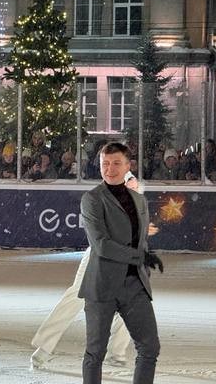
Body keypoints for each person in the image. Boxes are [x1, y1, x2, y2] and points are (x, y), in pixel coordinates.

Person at [30, 175, 154, 370]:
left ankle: (116, 353)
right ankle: (44, 347)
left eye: (135, 189)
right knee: (76, 297)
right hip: (98, 257)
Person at [79, 142, 162, 384]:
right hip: (102, 285)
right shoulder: (92, 199)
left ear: (128, 166)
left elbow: (139, 239)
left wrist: (145, 255)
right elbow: (102, 245)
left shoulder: (139, 200)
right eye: (105, 164)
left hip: (134, 286)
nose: (110, 169)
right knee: (95, 352)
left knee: (149, 347)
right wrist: (140, 257)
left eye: (116, 163)